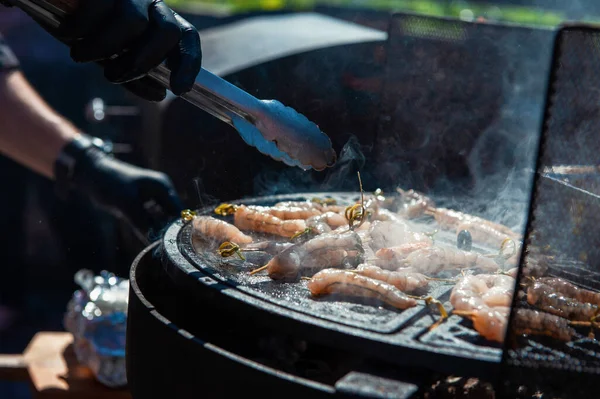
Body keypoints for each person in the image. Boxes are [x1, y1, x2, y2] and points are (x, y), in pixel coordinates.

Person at [0, 0, 201, 328]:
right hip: (38, 56)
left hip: (65, 63)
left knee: (68, 205)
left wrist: (88, 165)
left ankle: (87, 296)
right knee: (6, 194)